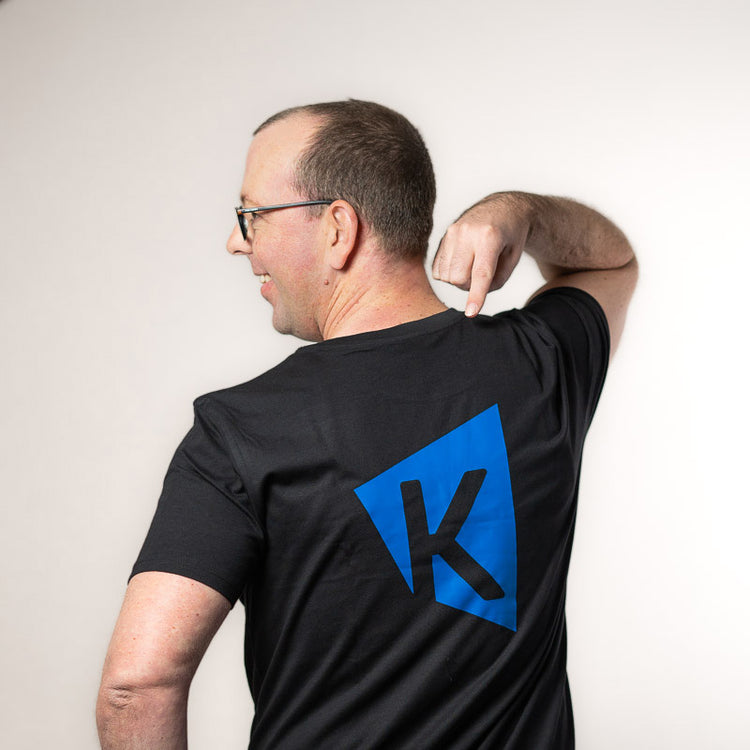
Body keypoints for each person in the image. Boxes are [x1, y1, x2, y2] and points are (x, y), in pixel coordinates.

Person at [96, 99, 637, 749]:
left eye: (252, 215)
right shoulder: (539, 364)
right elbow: (610, 263)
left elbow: (137, 686)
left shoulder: (241, 431)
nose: (237, 241)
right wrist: (520, 211)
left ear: (338, 228)